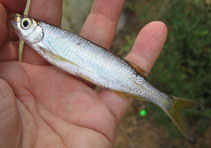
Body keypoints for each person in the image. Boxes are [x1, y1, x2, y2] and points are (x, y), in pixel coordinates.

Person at [0, 0, 167, 147]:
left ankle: (165, 101)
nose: (20, 24)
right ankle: (165, 102)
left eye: (26, 24)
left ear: (38, 31)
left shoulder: (42, 43)